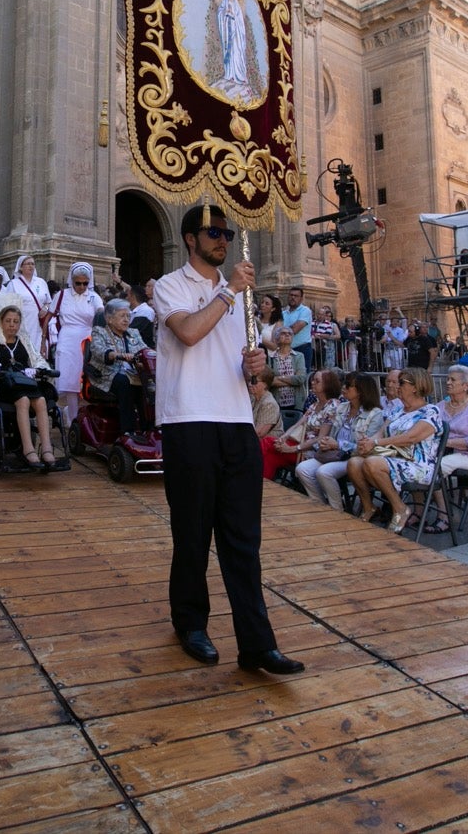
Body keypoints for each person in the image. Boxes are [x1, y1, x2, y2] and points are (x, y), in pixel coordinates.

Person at [154, 204, 300, 675]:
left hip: (236, 421)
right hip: (189, 421)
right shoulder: (170, 286)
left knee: (243, 540)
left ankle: (257, 643)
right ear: (190, 239)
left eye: (227, 232)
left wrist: (254, 367)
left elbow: (237, 362)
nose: (223, 239)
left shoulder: (237, 297)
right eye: (214, 232)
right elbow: (190, 334)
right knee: (192, 534)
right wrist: (231, 292)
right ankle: (190, 623)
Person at [346, 366, 441, 532]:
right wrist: (368, 441)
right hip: (392, 458)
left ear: (415, 387)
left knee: (373, 463)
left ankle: (400, 508)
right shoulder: (398, 410)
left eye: (402, 383)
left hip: (418, 464)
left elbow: (410, 438)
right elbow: (381, 431)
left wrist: (376, 444)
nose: (397, 386)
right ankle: (369, 507)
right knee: (354, 463)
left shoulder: (431, 411)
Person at [0, 300, 58, 469]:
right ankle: (28, 449)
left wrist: (38, 370)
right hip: (2, 386)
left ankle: (47, 448)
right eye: (8, 321)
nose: (12, 325)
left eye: (16, 321)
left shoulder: (24, 341)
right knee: (24, 401)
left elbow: (39, 360)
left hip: (24, 383)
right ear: (1, 322)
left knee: (41, 401)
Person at [296, 372, 381, 511]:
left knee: (324, 472)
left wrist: (338, 444)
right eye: (344, 384)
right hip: (334, 453)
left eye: (348, 385)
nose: (344, 387)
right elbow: (332, 433)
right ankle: (321, 506)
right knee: (302, 469)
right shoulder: (342, 407)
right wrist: (325, 442)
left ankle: (337, 510)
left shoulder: (374, 414)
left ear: (360, 391)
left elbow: (367, 447)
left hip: (355, 457)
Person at [433, 365, 468, 534]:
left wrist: (445, 442)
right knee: (420, 465)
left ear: (466, 386)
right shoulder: (440, 406)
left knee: (435, 468)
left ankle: (444, 516)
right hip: (441, 453)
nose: (448, 382)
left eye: (453, 380)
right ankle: (418, 512)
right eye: (447, 379)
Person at [88, 298, 149, 438]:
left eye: (128, 316)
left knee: (148, 384)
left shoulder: (134, 333)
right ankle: (128, 431)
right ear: (109, 319)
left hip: (133, 373)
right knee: (125, 383)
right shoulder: (99, 332)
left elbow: (144, 350)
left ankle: (148, 428)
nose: (126, 320)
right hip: (107, 374)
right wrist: (115, 355)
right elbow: (98, 350)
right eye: (122, 316)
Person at [53, 261, 103, 423]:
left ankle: (87, 415)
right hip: (67, 339)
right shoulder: (61, 295)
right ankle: (73, 417)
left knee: (87, 377)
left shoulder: (94, 297)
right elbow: (49, 316)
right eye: (78, 283)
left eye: (85, 283)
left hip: (87, 339)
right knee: (70, 378)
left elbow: (102, 314)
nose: (82, 287)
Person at [8, 254, 53, 356]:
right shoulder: (13, 284)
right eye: (28, 264)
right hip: (22, 324)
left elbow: (49, 302)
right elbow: (8, 307)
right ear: (21, 267)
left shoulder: (41, 282)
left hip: (39, 326)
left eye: (32, 264)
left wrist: (45, 308)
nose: (31, 266)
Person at [264, 329, 306, 415]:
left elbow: (301, 379)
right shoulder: (270, 358)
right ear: (276, 339)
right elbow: (269, 381)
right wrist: (292, 380)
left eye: (290, 334)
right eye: (283, 333)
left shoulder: (299, 356)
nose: (287, 335)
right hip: (276, 403)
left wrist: (279, 378)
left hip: (296, 403)